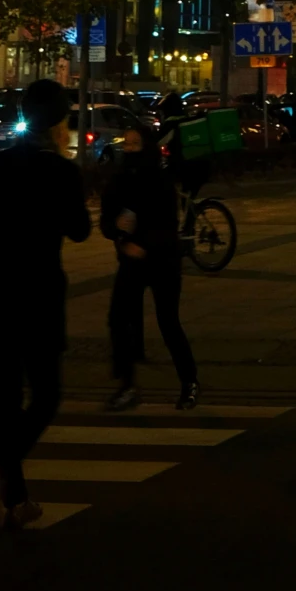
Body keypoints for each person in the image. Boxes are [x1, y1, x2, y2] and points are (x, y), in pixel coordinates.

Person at [0, 77, 92, 534]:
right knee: (46, 394)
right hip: (38, 295)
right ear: (58, 123)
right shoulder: (60, 171)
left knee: (5, 399)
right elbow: (79, 230)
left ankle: (16, 500)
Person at [100, 122, 199, 411]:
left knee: (168, 322)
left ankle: (189, 381)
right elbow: (108, 218)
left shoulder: (159, 179)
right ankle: (127, 384)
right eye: (126, 144)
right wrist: (115, 231)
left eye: (135, 144)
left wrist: (144, 245)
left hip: (161, 261)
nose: (129, 149)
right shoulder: (118, 179)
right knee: (118, 319)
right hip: (130, 260)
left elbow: (168, 224)